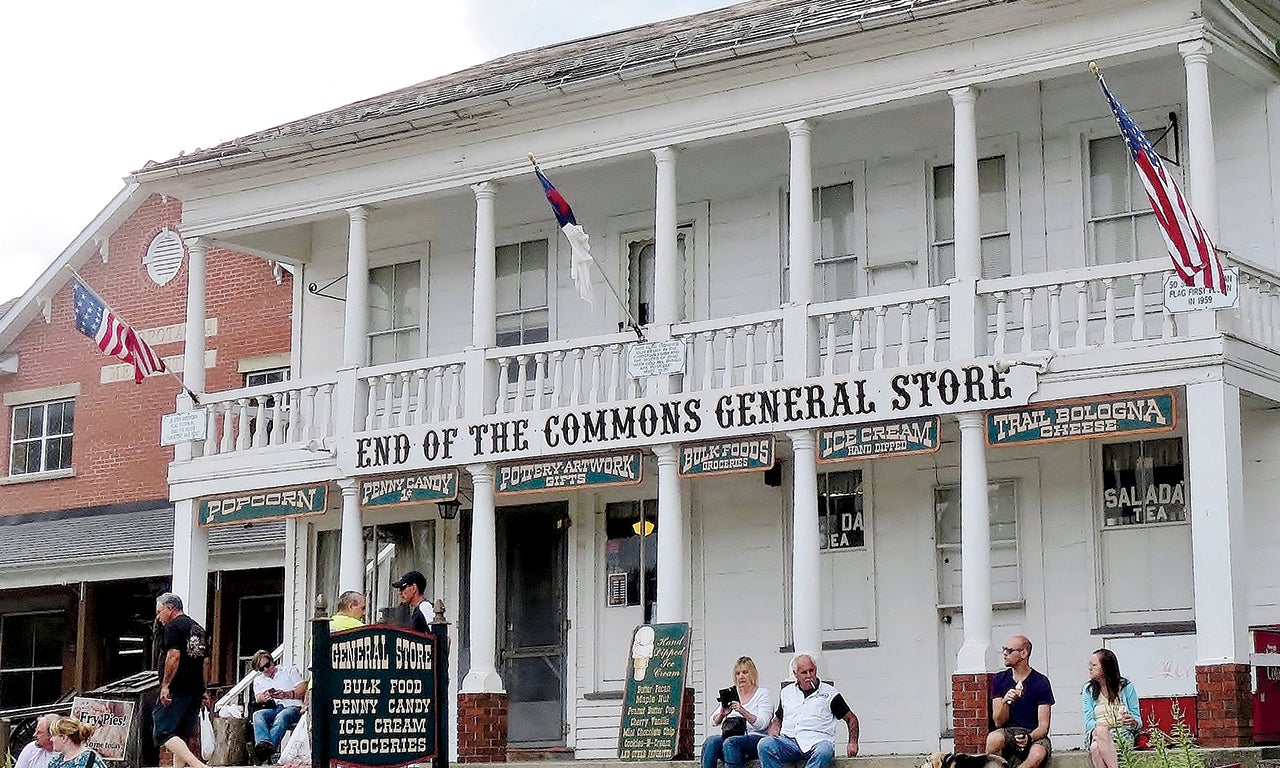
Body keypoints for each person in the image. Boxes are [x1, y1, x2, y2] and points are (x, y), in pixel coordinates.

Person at [758, 653, 859, 768]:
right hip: (789, 741)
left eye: (811, 671)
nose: (809, 675)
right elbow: (778, 717)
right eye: (804, 672)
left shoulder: (830, 694)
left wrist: (853, 742)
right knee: (765, 744)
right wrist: (774, 729)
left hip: (818, 741)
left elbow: (851, 718)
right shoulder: (786, 692)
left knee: (825, 751)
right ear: (796, 674)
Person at [153, 593, 212, 768]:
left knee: (163, 731)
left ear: (170, 609)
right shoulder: (198, 628)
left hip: (177, 688)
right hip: (194, 689)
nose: (158, 617)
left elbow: (174, 656)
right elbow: (205, 662)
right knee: (181, 734)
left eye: (159, 612)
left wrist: (165, 686)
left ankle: (199, 766)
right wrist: (203, 689)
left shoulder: (173, 626)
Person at [987, 635, 1054, 768]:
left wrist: (1029, 737)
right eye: (1004, 649)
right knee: (993, 739)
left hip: (1033, 733)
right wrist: (1005, 701)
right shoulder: (1000, 679)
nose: (1004, 653)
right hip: (1008, 731)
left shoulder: (1040, 682)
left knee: (1037, 754)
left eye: (1009, 650)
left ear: (1024, 653)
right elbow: (998, 722)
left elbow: (1043, 726)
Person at [702, 657, 774, 768]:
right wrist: (722, 714)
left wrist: (742, 710)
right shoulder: (733, 694)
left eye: (745, 672)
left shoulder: (762, 694)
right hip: (732, 737)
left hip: (755, 738)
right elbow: (712, 721)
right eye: (738, 673)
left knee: (730, 743)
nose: (741, 677)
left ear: (752, 674)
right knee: (711, 741)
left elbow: (762, 724)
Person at [1082, 649, 1141, 768]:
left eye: (1094, 665)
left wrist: (1133, 721)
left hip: (1122, 734)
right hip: (1096, 734)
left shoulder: (1127, 687)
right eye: (1090, 665)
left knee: (1095, 748)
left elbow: (1138, 721)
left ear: (1106, 668)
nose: (1090, 668)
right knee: (1101, 731)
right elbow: (1089, 722)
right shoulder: (1088, 689)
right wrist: (1106, 725)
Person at [250, 650, 307, 763]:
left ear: (272, 661)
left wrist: (286, 694)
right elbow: (257, 698)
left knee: (282, 716)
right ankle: (264, 744)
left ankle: (263, 752)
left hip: (293, 706)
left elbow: (302, 689)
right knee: (257, 715)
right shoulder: (258, 680)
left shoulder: (289, 671)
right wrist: (263, 697)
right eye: (262, 669)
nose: (266, 670)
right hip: (274, 707)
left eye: (267, 665)